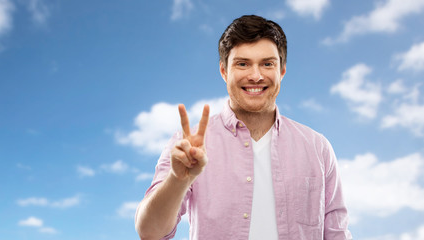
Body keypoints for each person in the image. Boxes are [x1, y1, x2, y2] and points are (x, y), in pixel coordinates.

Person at [135, 15, 352, 240]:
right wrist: (177, 179)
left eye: (267, 64)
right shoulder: (188, 146)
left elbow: (337, 234)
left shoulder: (318, 148)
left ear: (282, 71)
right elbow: (149, 231)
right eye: (242, 64)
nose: (256, 76)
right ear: (224, 71)